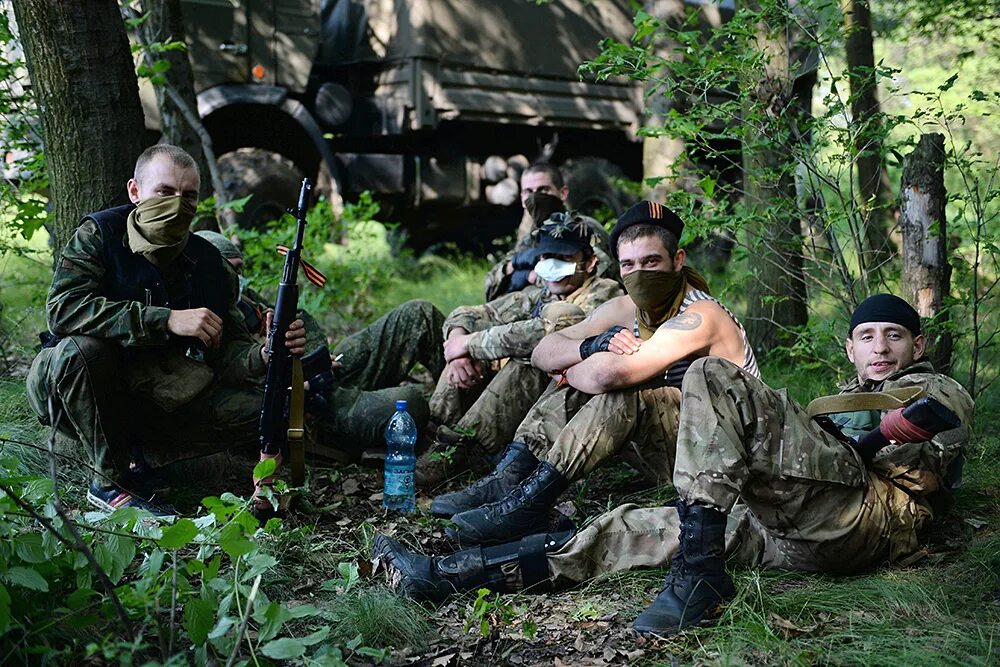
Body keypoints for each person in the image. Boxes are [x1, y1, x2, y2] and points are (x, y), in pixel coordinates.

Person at [372, 293, 974, 637]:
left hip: (871, 518)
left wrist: (870, 438)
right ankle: (446, 576)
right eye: (866, 336)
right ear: (849, 347)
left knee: (711, 373)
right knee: (623, 529)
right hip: (798, 535)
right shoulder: (841, 395)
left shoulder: (934, 384)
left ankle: (699, 572)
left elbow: (936, 417)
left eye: (893, 335)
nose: (879, 348)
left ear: (916, 346)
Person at [430, 201, 758, 546]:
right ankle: (511, 483)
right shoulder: (629, 308)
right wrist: (588, 347)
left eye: (651, 262)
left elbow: (608, 377)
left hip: (727, 462)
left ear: (677, 261)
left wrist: (571, 368)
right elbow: (543, 350)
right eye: (629, 265)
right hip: (679, 456)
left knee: (628, 391)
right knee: (589, 364)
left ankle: (530, 503)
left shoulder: (702, 314)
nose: (640, 274)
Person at [25, 145, 306, 516]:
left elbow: (229, 352)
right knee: (84, 350)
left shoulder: (209, 265)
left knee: (266, 409)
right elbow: (62, 310)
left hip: (158, 393)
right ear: (135, 192)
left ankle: (149, 460)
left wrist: (266, 354)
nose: (177, 204)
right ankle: (109, 483)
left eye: (189, 195)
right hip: (76, 387)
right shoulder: (100, 235)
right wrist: (166, 319)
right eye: (165, 192)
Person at [196, 230, 446, 462]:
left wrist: (316, 360)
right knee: (409, 404)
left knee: (418, 314)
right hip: (308, 410)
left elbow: (300, 320)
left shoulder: (246, 300)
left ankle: (461, 417)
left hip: (323, 374)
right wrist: (294, 383)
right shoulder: (202, 321)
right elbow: (229, 388)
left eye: (240, 271)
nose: (238, 279)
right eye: (231, 271)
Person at [416, 215, 623, 486]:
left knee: (526, 360)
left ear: (590, 261)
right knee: (466, 349)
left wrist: (470, 344)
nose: (551, 264)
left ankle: (462, 449)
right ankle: (432, 434)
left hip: (566, 398)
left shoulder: (605, 293)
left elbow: (545, 333)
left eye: (563, 257)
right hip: (519, 401)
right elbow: (470, 313)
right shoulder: (543, 293)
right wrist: (459, 348)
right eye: (546, 256)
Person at [483, 163, 615, 301]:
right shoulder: (531, 236)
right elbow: (490, 288)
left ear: (563, 193)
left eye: (543, 190)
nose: (535, 197)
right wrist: (517, 265)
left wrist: (528, 276)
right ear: (522, 198)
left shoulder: (582, 229)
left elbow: (593, 278)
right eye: (529, 191)